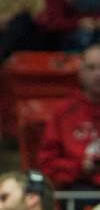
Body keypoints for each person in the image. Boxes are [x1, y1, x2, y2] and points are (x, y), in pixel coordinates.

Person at [37, 42, 100, 192]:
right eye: (91, 68)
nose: (98, 74)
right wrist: (80, 167)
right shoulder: (63, 113)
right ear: (81, 72)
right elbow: (47, 164)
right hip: (79, 187)